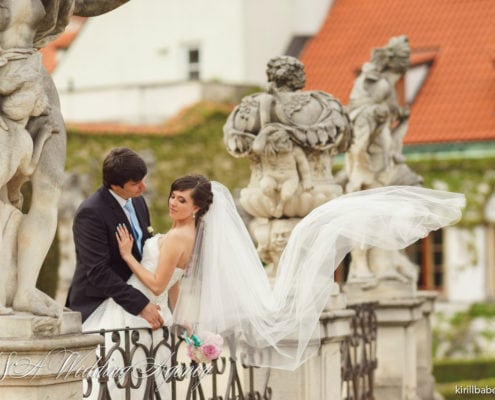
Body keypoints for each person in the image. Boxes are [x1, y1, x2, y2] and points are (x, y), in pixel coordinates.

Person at [65, 147, 163, 329]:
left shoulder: (139, 201)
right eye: (135, 183)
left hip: (140, 298)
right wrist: (140, 304)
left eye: (143, 179)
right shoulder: (91, 213)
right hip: (100, 304)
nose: (144, 187)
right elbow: (98, 271)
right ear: (115, 186)